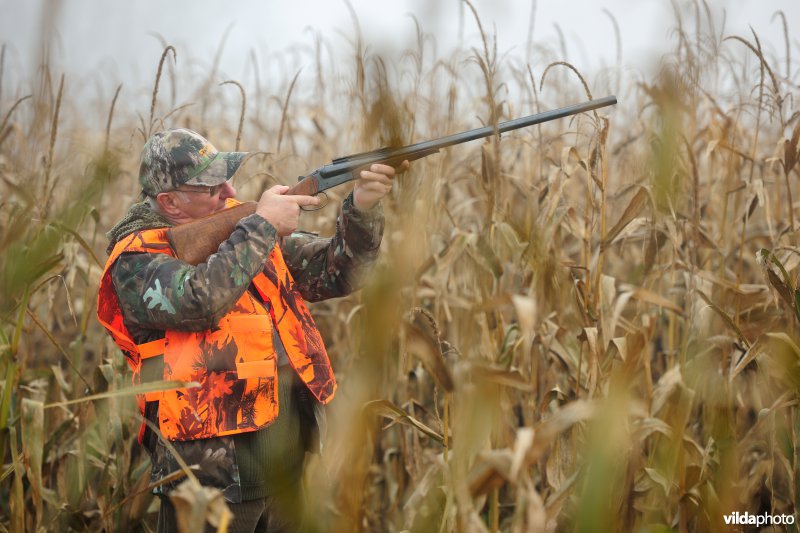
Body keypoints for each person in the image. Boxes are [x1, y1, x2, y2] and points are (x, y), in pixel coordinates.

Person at [96, 128, 406, 532]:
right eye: (210, 185)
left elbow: (340, 273)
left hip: (285, 471)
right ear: (169, 201)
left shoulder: (240, 234)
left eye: (227, 175)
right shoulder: (135, 261)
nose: (229, 189)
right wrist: (260, 226)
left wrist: (363, 206)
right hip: (210, 483)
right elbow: (200, 301)